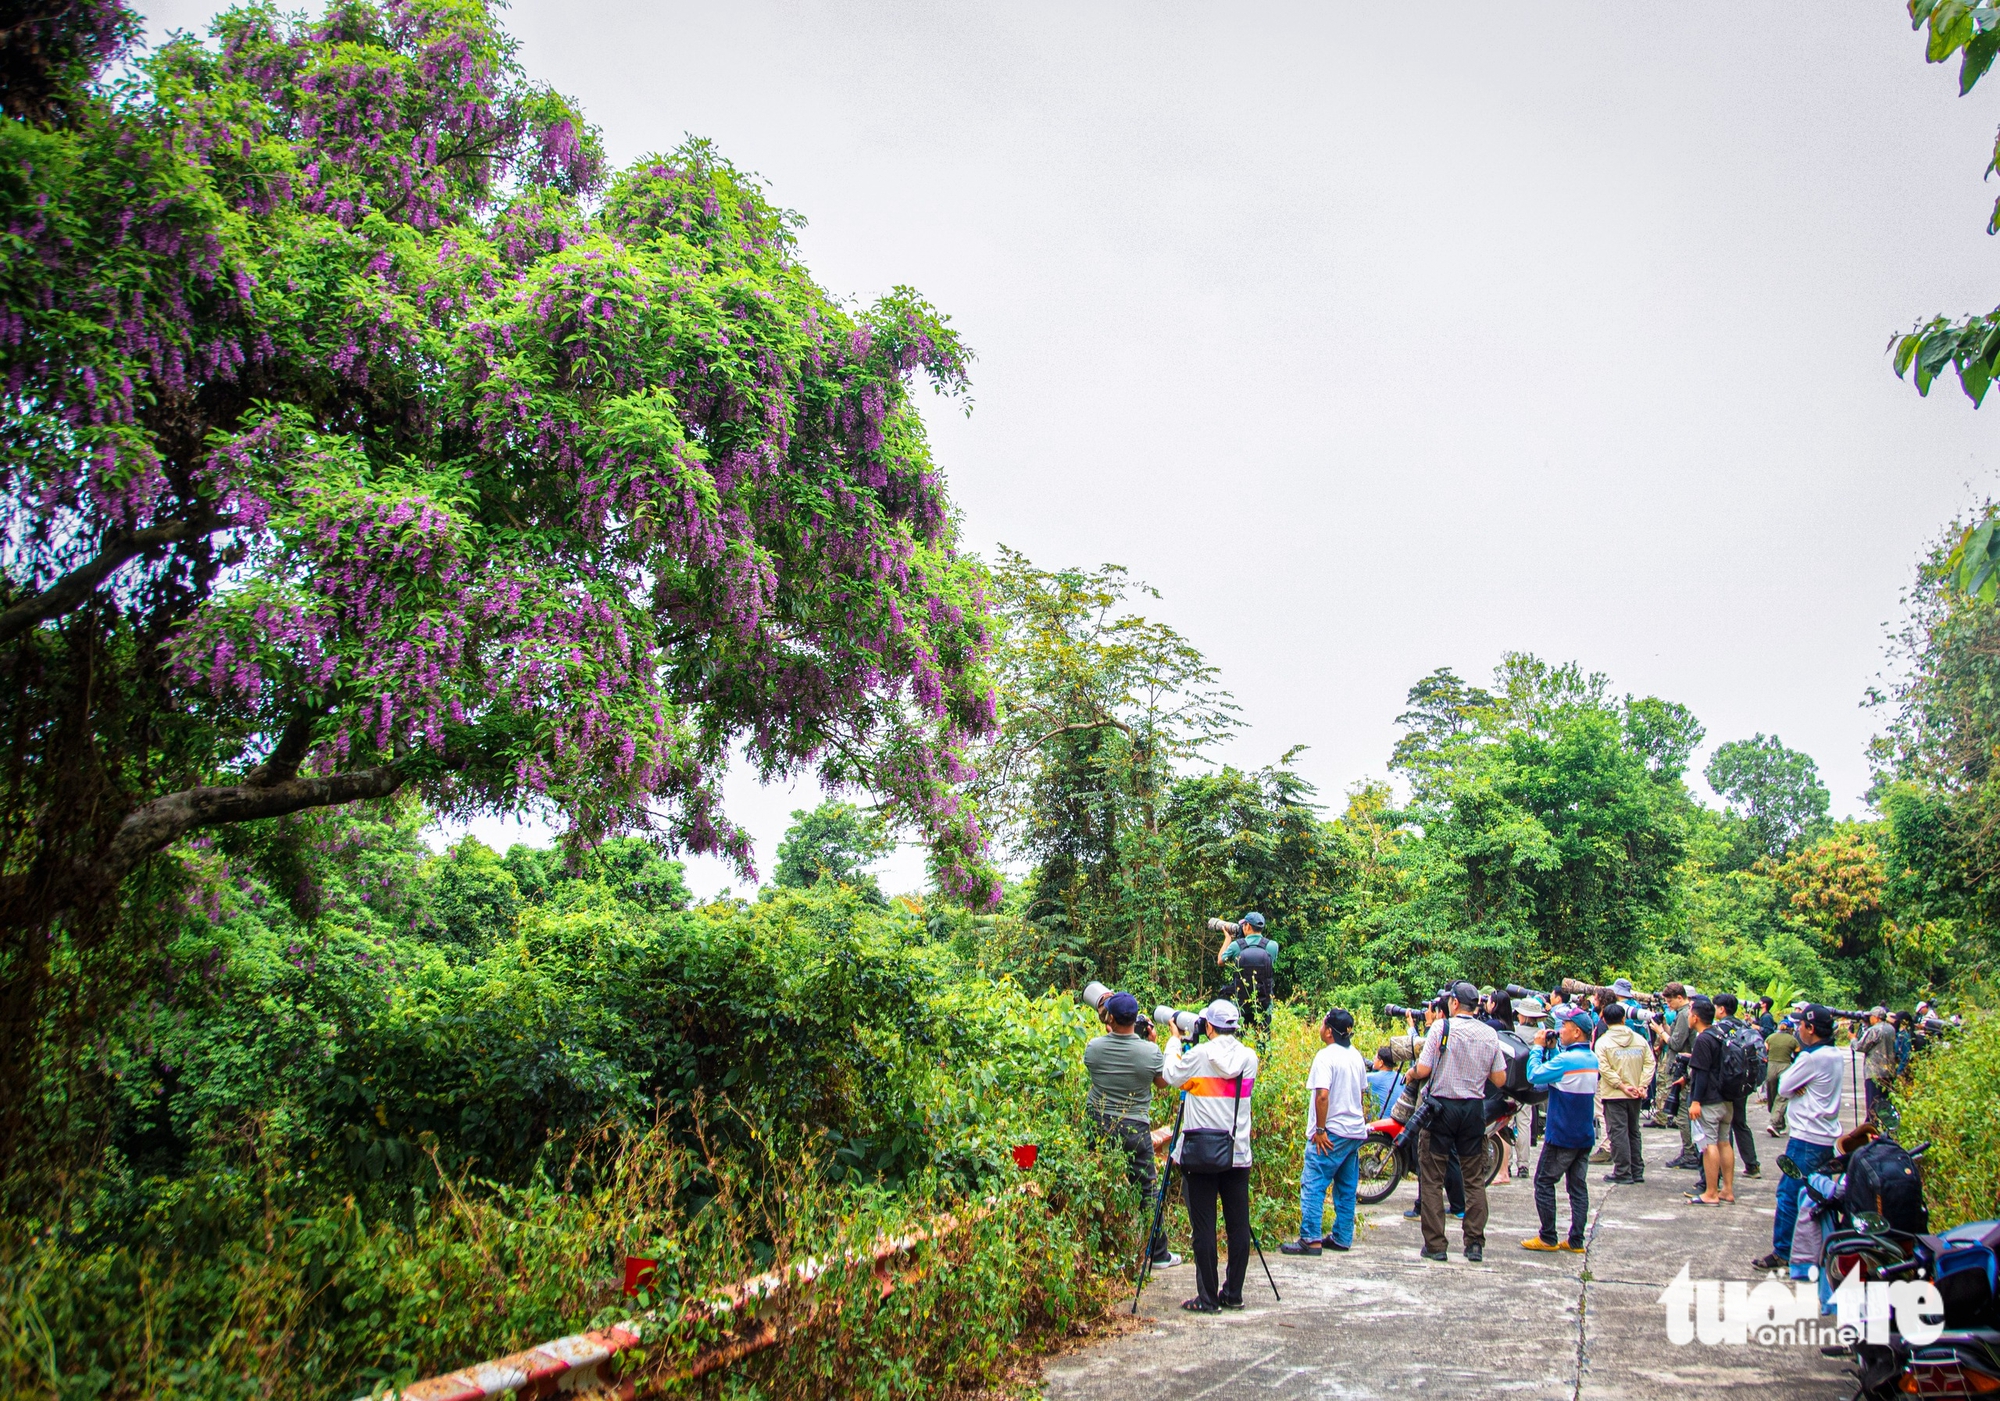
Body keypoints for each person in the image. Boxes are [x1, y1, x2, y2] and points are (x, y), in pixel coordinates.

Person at [1160, 998, 1259, 1313]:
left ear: (1210, 1026)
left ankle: (1208, 1298)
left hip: (1200, 1154)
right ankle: (1234, 1293)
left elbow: (1172, 1075)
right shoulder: (1249, 1057)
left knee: (1204, 1227)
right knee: (1238, 1226)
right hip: (1236, 1152)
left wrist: (1175, 1041)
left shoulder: (1200, 1054)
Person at [1404, 980, 1510, 1263]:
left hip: (1441, 1109)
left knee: (1432, 1178)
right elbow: (1500, 1078)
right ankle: (1474, 1243)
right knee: (1474, 1178)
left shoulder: (1442, 1028)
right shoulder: (1489, 1034)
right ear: (1476, 1006)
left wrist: (1413, 1074)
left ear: (1453, 1003)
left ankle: (1436, 1245)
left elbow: (1425, 1067)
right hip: (1473, 1110)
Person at [1082, 991, 1179, 1267]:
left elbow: (1097, 1063)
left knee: (1099, 1184)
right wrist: (1151, 1044)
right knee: (1147, 1188)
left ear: (1109, 1018)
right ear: (1137, 1019)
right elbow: (1161, 1084)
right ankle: (1158, 1253)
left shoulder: (1094, 1048)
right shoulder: (1149, 1052)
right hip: (1135, 1126)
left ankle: (1102, 1253)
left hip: (1098, 1123)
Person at [1753, 1006, 1844, 1272]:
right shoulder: (1834, 1055)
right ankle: (1814, 1250)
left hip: (1806, 1138)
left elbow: (1784, 1085)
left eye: (1801, 1025)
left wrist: (1796, 1086)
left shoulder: (1810, 1059)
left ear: (1810, 1028)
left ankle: (1783, 1251)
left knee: (1789, 1194)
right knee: (1817, 1194)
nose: (1799, 1030)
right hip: (1825, 1136)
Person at [1284, 1008, 1368, 1255]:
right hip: (1353, 1131)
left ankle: (1310, 1238)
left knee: (1313, 1182)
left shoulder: (1325, 1056)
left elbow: (1322, 1095)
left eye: (1322, 1024)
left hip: (1332, 1132)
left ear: (1329, 1031)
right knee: (1345, 1185)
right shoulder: (1356, 1056)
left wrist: (1320, 1130)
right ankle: (1342, 1236)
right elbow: (1361, 1094)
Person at [1521, 1006, 1599, 1252]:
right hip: (1584, 1134)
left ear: (1576, 1032)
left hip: (1561, 1134)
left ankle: (1548, 1236)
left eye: (1564, 1026)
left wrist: (1537, 1047)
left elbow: (1534, 1075)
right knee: (1577, 1188)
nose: (1560, 1029)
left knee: (1543, 1181)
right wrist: (1553, 1048)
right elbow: (1562, 1076)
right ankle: (1576, 1240)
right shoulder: (1590, 1059)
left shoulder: (1566, 1060)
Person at [1594, 1002, 1654, 1185]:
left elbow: (1603, 1068)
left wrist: (1620, 1085)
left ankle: (1623, 1171)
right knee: (1633, 1131)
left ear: (1604, 1019)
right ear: (1624, 1018)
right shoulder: (1639, 1040)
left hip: (1614, 1094)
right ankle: (1637, 1170)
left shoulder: (1602, 1042)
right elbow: (1650, 1063)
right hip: (1636, 1093)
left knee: (1618, 1132)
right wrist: (1642, 1085)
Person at [1686, 997, 1735, 1206]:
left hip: (1710, 1100)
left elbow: (1702, 1074)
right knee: (1724, 1142)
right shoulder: (1720, 1034)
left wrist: (1696, 1101)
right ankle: (1727, 1190)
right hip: (1727, 1099)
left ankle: (1711, 1192)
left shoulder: (1703, 1040)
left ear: (1695, 1017)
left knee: (1709, 1145)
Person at [1711, 993, 1763, 1178]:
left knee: (1724, 1127)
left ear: (1721, 1009)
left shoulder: (1719, 1029)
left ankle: (1725, 1170)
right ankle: (1752, 1165)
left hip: (1726, 1082)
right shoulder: (1744, 1025)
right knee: (1740, 1123)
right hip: (1744, 1080)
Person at [1659, 983, 1701, 1170]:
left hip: (1684, 1070)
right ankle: (1689, 1150)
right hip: (1685, 1067)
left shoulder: (1685, 1014)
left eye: (1670, 1001)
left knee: (1683, 1113)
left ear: (1679, 997)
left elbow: (1675, 1043)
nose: (1668, 1004)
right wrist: (1664, 1026)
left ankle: (1690, 1152)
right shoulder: (1683, 1014)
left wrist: (1659, 1033)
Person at [1215, 913, 1279, 1030]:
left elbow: (1220, 961)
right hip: (1264, 1003)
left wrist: (1228, 939)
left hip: (1241, 1004)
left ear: (1248, 926)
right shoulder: (1272, 946)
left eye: (1244, 924)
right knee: (1263, 1039)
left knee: (1240, 1038)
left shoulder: (1236, 946)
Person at [1855, 1007, 1897, 1119]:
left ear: (1876, 1017)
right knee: (1885, 1104)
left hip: (1875, 1073)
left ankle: (1873, 1126)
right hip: (1889, 1072)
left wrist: (1853, 1039)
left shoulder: (1875, 1030)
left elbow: (1860, 1046)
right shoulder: (1891, 1028)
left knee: (1873, 1104)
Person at [1762, 1016, 1800, 1138]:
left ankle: (1779, 1124)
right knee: (1782, 1097)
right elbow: (1798, 1055)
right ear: (1790, 1029)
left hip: (1771, 1067)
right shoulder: (1793, 1040)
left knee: (1772, 1095)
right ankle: (1774, 1123)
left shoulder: (1770, 1037)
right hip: (1785, 1068)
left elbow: (1765, 1050)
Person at [1367, 1046, 1405, 1122]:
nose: (1374, 1059)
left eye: (1376, 1057)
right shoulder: (1400, 1077)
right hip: (1396, 1121)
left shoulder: (1372, 1077)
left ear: (1381, 1063)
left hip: (1379, 1122)